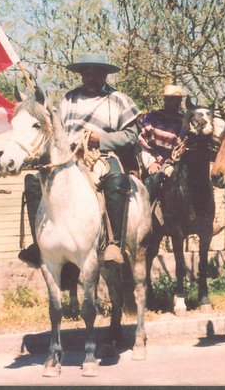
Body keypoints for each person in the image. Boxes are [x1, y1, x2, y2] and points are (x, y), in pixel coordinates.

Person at [18, 53, 141, 267]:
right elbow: (54, 128)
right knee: (35, 182)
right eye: (87, 73)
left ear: (105, 75)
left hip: (102, 156)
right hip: (69, 157)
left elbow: (131, 135)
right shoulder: (68, 99)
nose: (91, 77)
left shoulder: (119, 100)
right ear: (81, 75)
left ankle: (113, 243)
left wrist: (100, 139)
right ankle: (39, 245)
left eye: (96, 72)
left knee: (116, 180)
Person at [138, 84, 187, 202]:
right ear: (164, 100)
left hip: (175, 165)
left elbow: (182, 146)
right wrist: (151, 163)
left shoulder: (184, 122)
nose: (172, 103)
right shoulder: (152, 117)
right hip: (152, 164)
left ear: (180, 101)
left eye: (176, 100)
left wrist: (171, 164)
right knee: (152, 183)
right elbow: (143, 142)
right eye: (169, 99)